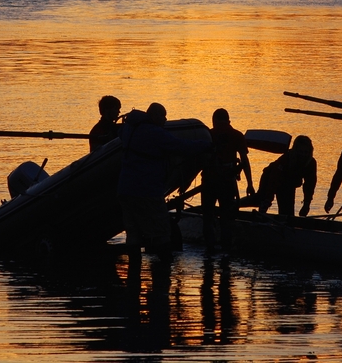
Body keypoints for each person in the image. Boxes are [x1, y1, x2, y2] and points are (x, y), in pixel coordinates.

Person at [117, 102, 211, 260]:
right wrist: (205, 145)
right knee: (161, 231)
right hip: (147, 189)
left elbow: (119, 133)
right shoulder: (155, 133)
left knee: (133, 232)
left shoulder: (128, 128)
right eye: (163, 116)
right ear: (153, 116)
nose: (165, 120)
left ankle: (134, 273)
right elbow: (180, 146)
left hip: (125, 189)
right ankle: (162, 272)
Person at [202, 108, 254, 251]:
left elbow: (198, 161)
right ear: (228, 120)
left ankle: (210, 250)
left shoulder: (209, 135)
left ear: (214, 121)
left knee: (207, 217)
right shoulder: (237, 135)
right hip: (227, 183)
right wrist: (250, 184)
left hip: (209, 182)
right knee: (226, 218)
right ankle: (226, 251)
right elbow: (244, 160)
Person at [239, 135, 317, 217]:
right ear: (296, 150)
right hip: (270, 176)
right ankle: (235, 204)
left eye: (306, 152)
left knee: (287, 213)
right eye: (300, 152)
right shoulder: (286, 159)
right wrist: (268, 199)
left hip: (288, 185)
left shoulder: (311, 163)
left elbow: (310, 184)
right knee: (260, 199)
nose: (303, 155)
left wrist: (306, 204)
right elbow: (274, 179)